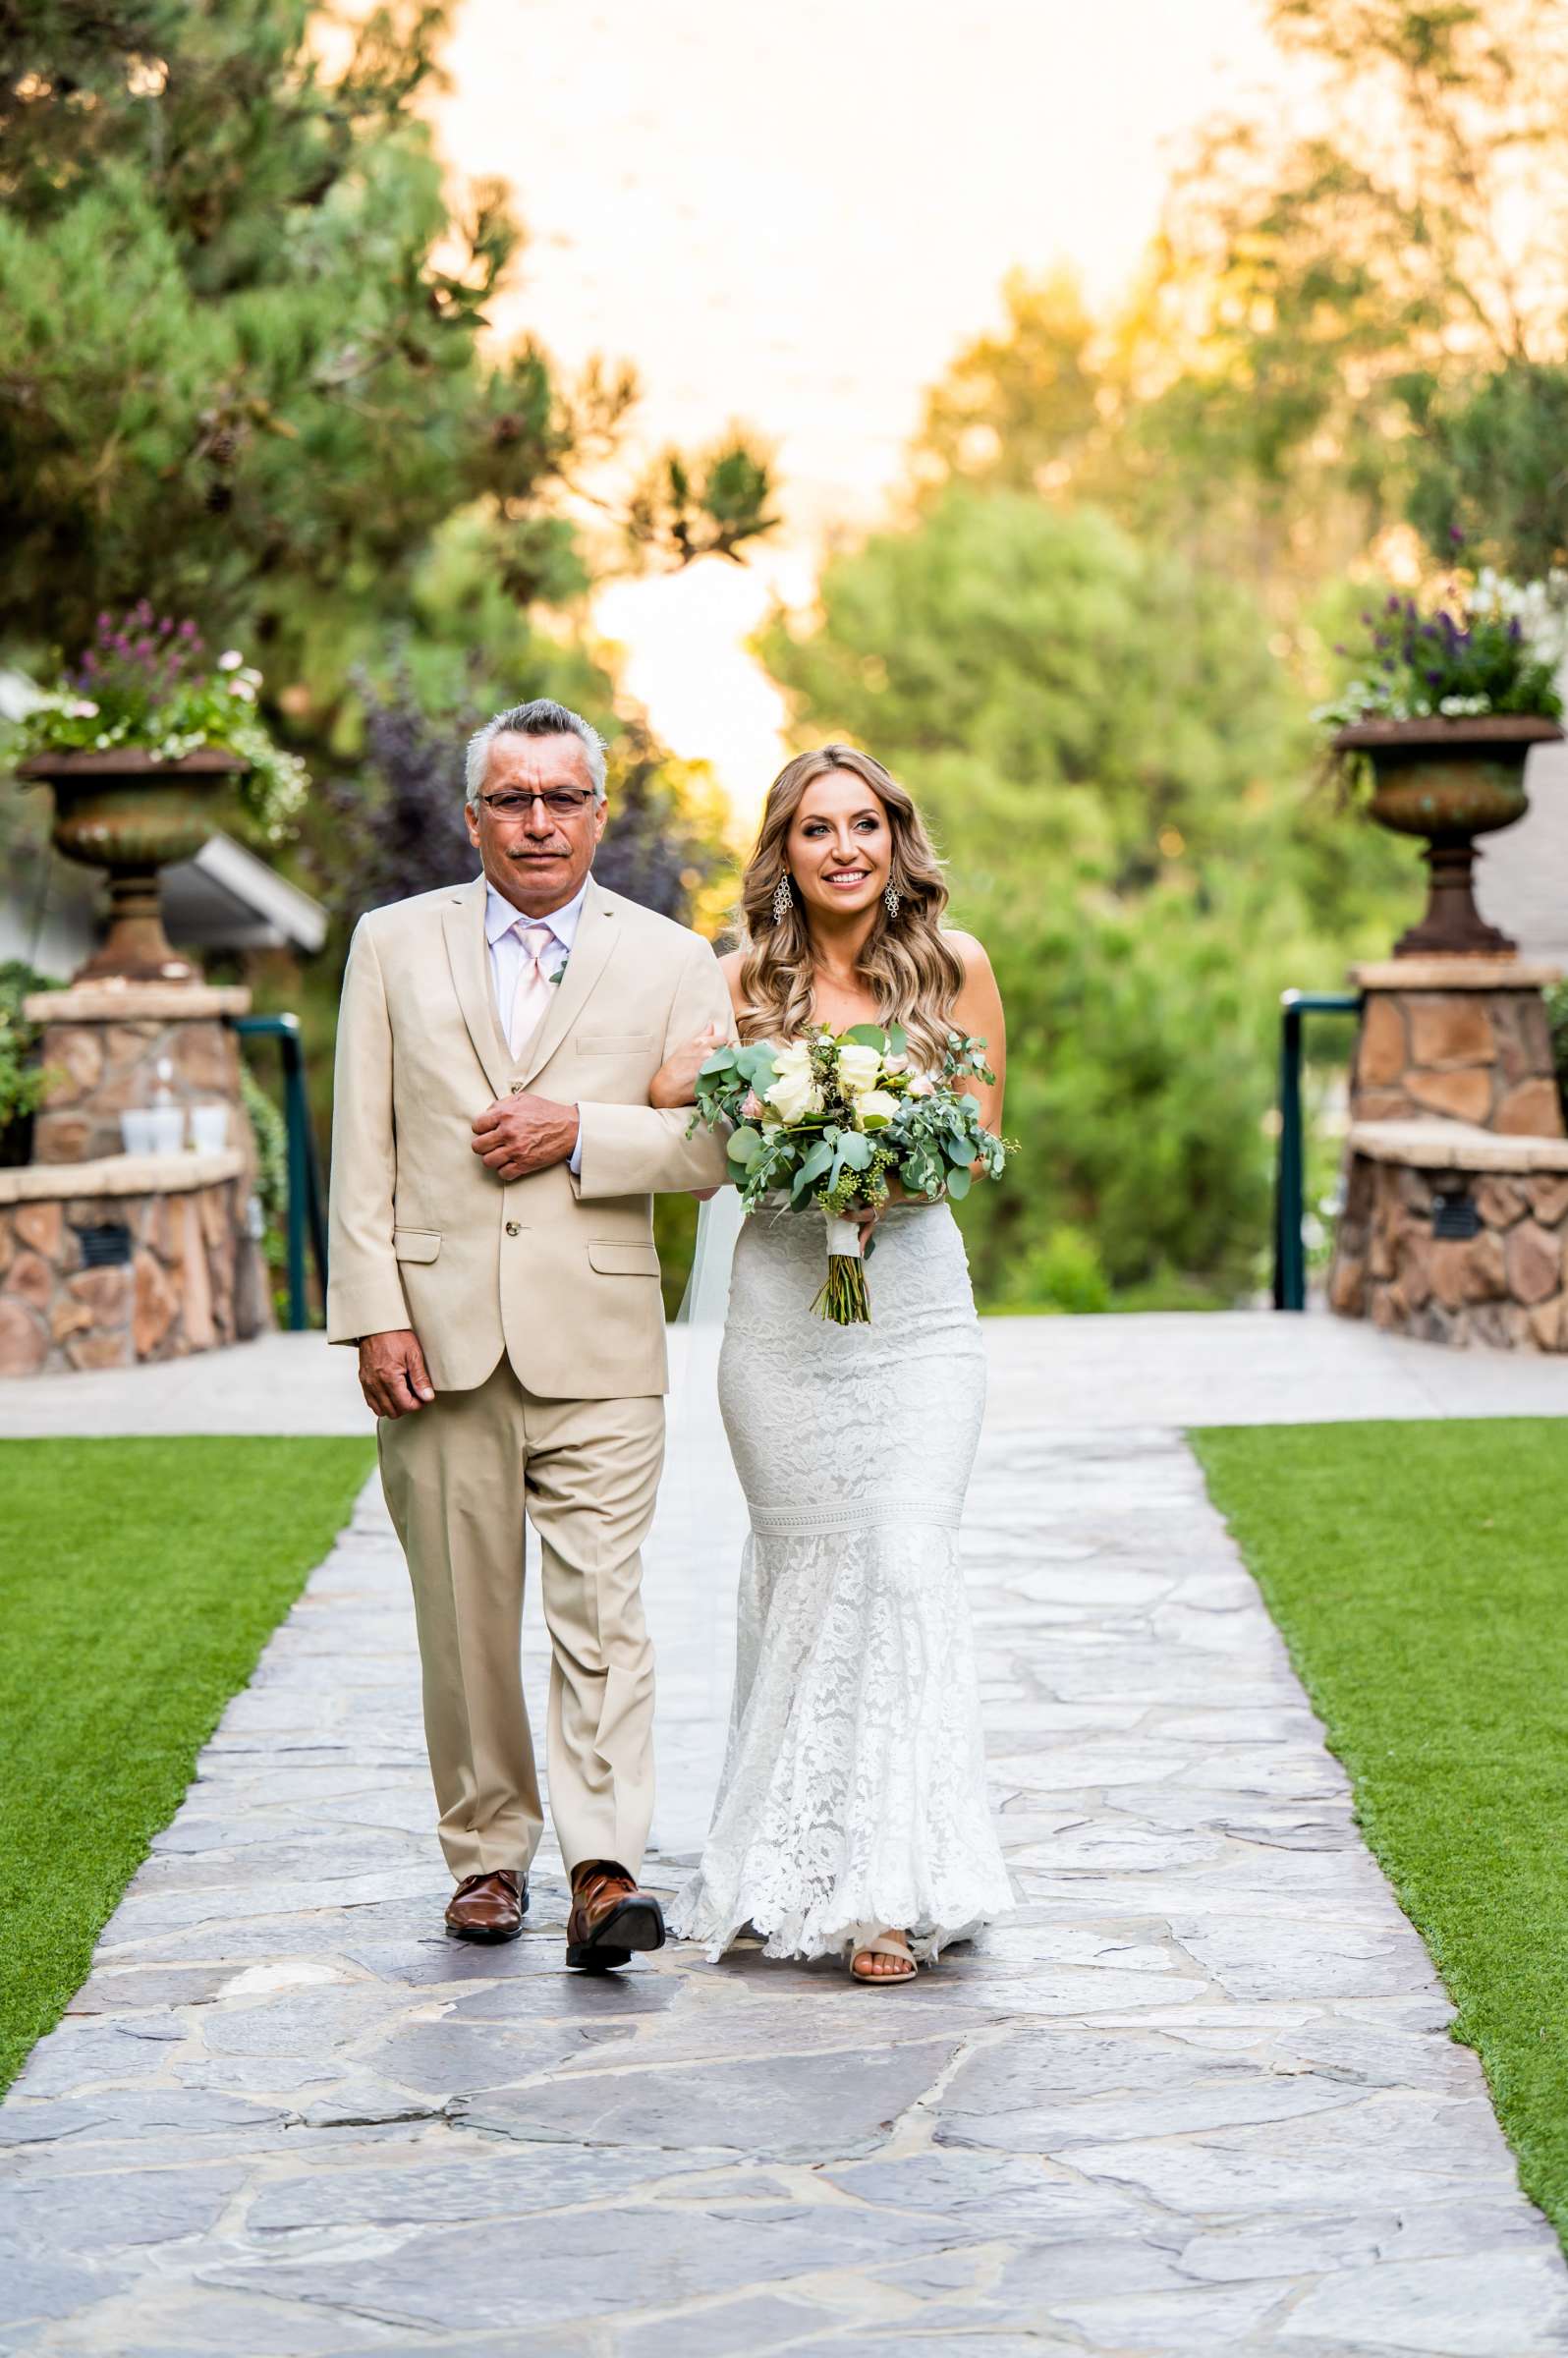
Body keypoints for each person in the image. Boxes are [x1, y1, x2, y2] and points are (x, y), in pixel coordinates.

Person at [326, 698, 732, 1968]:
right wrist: (374, 1316)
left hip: (601, 1339)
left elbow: (714, 1145)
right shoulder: (392, 946)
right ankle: (488, 1857)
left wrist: (583, 1131)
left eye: (564, 797)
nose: (540, 820)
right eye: (515, 798)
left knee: (602, 1608)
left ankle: (604, 1867)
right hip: (435, 1338)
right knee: (462, 1616)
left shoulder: (673, 959)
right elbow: (363, 1147)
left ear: (599, 815)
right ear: (473, 817)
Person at [653, 744, 1015, 1985]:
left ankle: (889, 1895)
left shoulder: (956, 971)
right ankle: (791, 1862)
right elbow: (666, 1085)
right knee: (809, 1575)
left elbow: (974, 1154)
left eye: (865, 825)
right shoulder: (743, 979)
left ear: (895, 840)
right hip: (784, 1318)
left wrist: (877, 1156)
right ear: (786, 852)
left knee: (905, 1562)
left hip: (913, 1310)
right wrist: (776, 1108)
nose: (845, 848)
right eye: (818, 829)